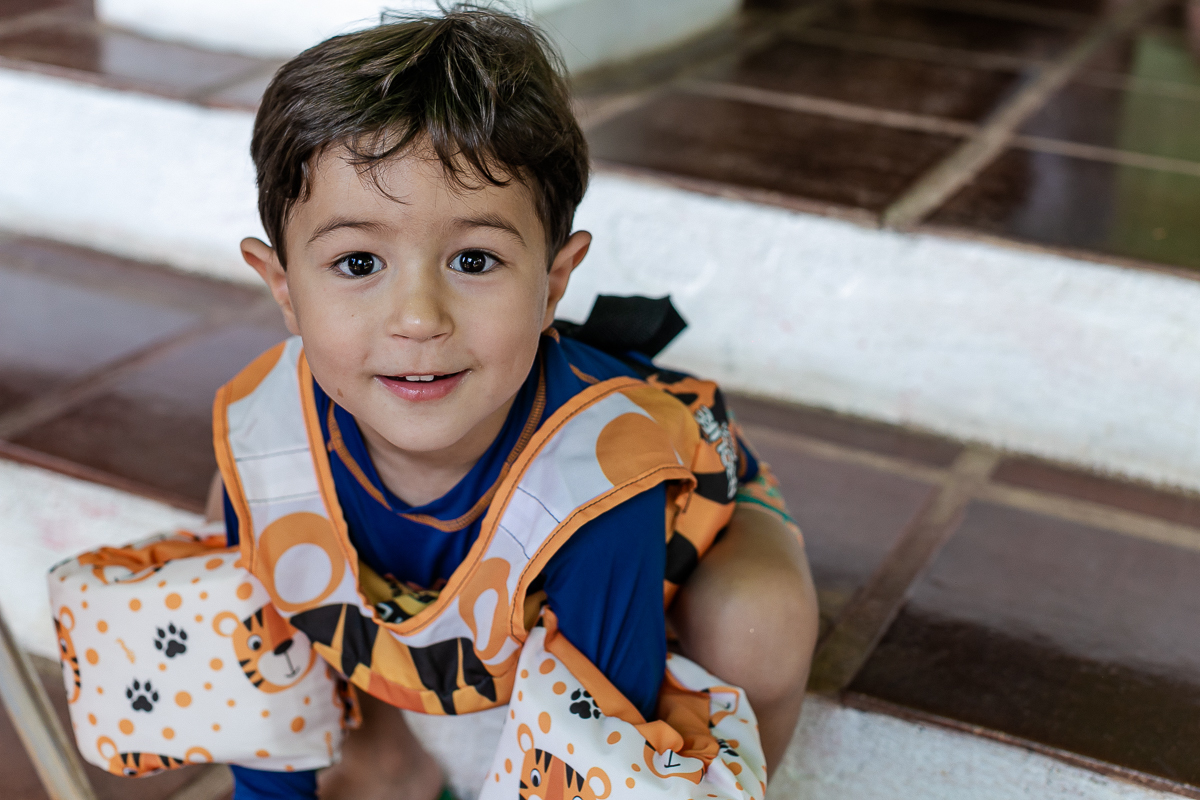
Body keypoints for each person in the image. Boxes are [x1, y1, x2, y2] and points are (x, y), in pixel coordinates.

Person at [205, 8, 819, 799]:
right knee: (240, 504)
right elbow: (266, 676)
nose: (419, 318)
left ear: (553, 283)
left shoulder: (599, 479)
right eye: (358, 262)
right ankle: (388, 762)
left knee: (755, 622)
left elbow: (599, 747)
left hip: (670, 529)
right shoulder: (268, 436)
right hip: (467, 574)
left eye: (474, 258)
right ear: (283, 288)